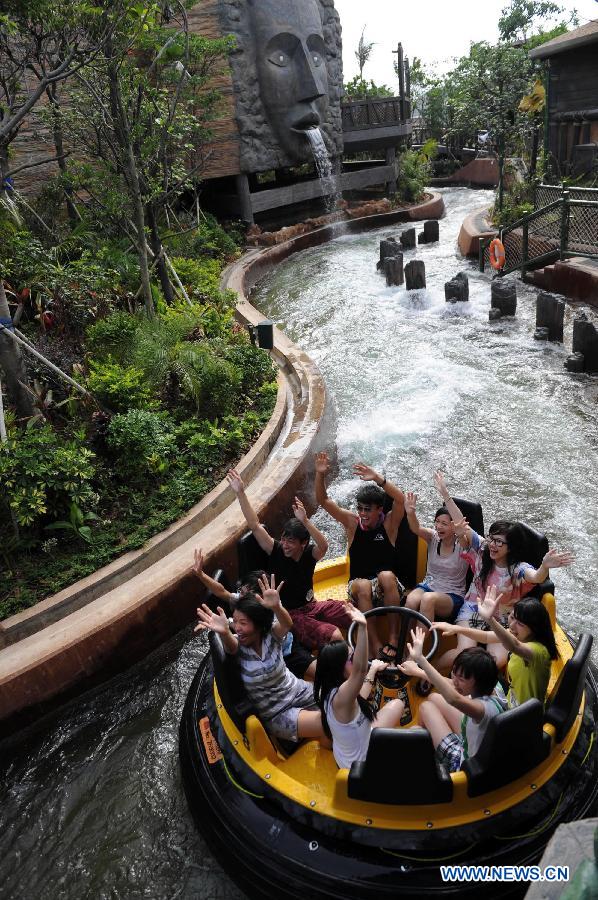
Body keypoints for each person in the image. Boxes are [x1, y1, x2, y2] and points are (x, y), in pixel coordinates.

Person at [433, 471, 573, 670]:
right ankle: (428, 673)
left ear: (511, 547)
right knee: (463, 654)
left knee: (494, 661)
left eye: (499, 542)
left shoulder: (518, 569)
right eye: (492, 538)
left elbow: (536, 577)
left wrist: (545, 566)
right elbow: (462, 525)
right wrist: (445, 495)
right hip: (474, 608)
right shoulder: (482, 549)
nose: (493, 545)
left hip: (504, 619)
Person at [227, 469, 351, 652]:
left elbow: (324, 546)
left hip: (311, 605)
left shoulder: (309, 553)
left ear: (303, 543)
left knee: (351, 611)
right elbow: (254, 525)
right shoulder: (275, 549)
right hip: (290, 614)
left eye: (290, 541)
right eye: (284, 539)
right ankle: (355, 670)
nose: (284, 544)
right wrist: (240, 492)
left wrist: (306, 521)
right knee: (333, 635)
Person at [195, 574, 328, 744]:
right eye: (235, 622)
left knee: (339, 701)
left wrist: (277, 607)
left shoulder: (271, 636)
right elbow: (230, 644)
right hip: (277, 713)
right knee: (327, 723)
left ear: (258, 625)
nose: (238, 627)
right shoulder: (238, 646)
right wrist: (224, 632)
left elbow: (286, 624)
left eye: (243, 623)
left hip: (297, 690)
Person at [314, 451, 405, 661]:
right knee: (364, 585)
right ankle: (374, 646)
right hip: (358, 586)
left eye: (368, 510)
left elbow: (399, 500)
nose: (362, 514)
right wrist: (321, 474)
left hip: (386, 587)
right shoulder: (352, 523)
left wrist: (378, 479)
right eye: (360, 509)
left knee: (386, 575)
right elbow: (323, 500)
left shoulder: (389, 524)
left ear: (379, 510)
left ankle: (394, 637)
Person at [192, 548, 316, 681]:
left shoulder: (271, 609)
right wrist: (200, 574)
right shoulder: (244, 600)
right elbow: (222, 592)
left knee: (319, 670)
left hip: (287, 650)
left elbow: (285, 625)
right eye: (242, 591)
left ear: (260, 596)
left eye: (246, 593)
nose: (241, 595)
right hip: (267, 657)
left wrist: (228, 624)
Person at [400, 626, 506, 773]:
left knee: (417, 727)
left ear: (478, 681)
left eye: (460, 678)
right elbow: (453, 686)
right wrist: (419, 671)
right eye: (454, 672)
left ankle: (432, 759)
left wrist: (421, 660)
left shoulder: (481, 709)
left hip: (466, 764)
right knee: (433, 698)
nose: (454, 680)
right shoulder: (494, 685)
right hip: (479, 742)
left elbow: (454, 698)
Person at [433, 585, 557, 708]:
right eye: (512, 617)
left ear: (534, 628)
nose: (512, 626)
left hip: (520, 714)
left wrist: (490, 619)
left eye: (520, 623)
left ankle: (430, 676)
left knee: (469, 682)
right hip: (509, 696)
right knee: (473, 680)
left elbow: (513, 646)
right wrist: (456, 628)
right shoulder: (517, 635)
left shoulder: (538, 651)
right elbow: (486, 637)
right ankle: (434, 677)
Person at [314, 605, 404, 769]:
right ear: (339, 669)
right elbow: (360, 670)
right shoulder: (341, 697)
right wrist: (363, 627)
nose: (355, 659)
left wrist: (373, 670)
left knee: (398, 704)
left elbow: (359, 697)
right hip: (362, 766)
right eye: (351, 658)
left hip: (349, 754)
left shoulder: (331, 690)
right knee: (415, 735)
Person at [403, 491, 469, 623]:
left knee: (428, 599)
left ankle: (420, 643)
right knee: (410, 600)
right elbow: (416, 528)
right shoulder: (433, 537)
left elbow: (465, 541)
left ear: (454, 525)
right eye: (437, 522)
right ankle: (405, 642)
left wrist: (461, 533)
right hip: (429, 585)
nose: (438, 527)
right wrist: (410, 513)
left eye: (444, 524)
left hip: (452, 595)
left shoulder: (462, 543)